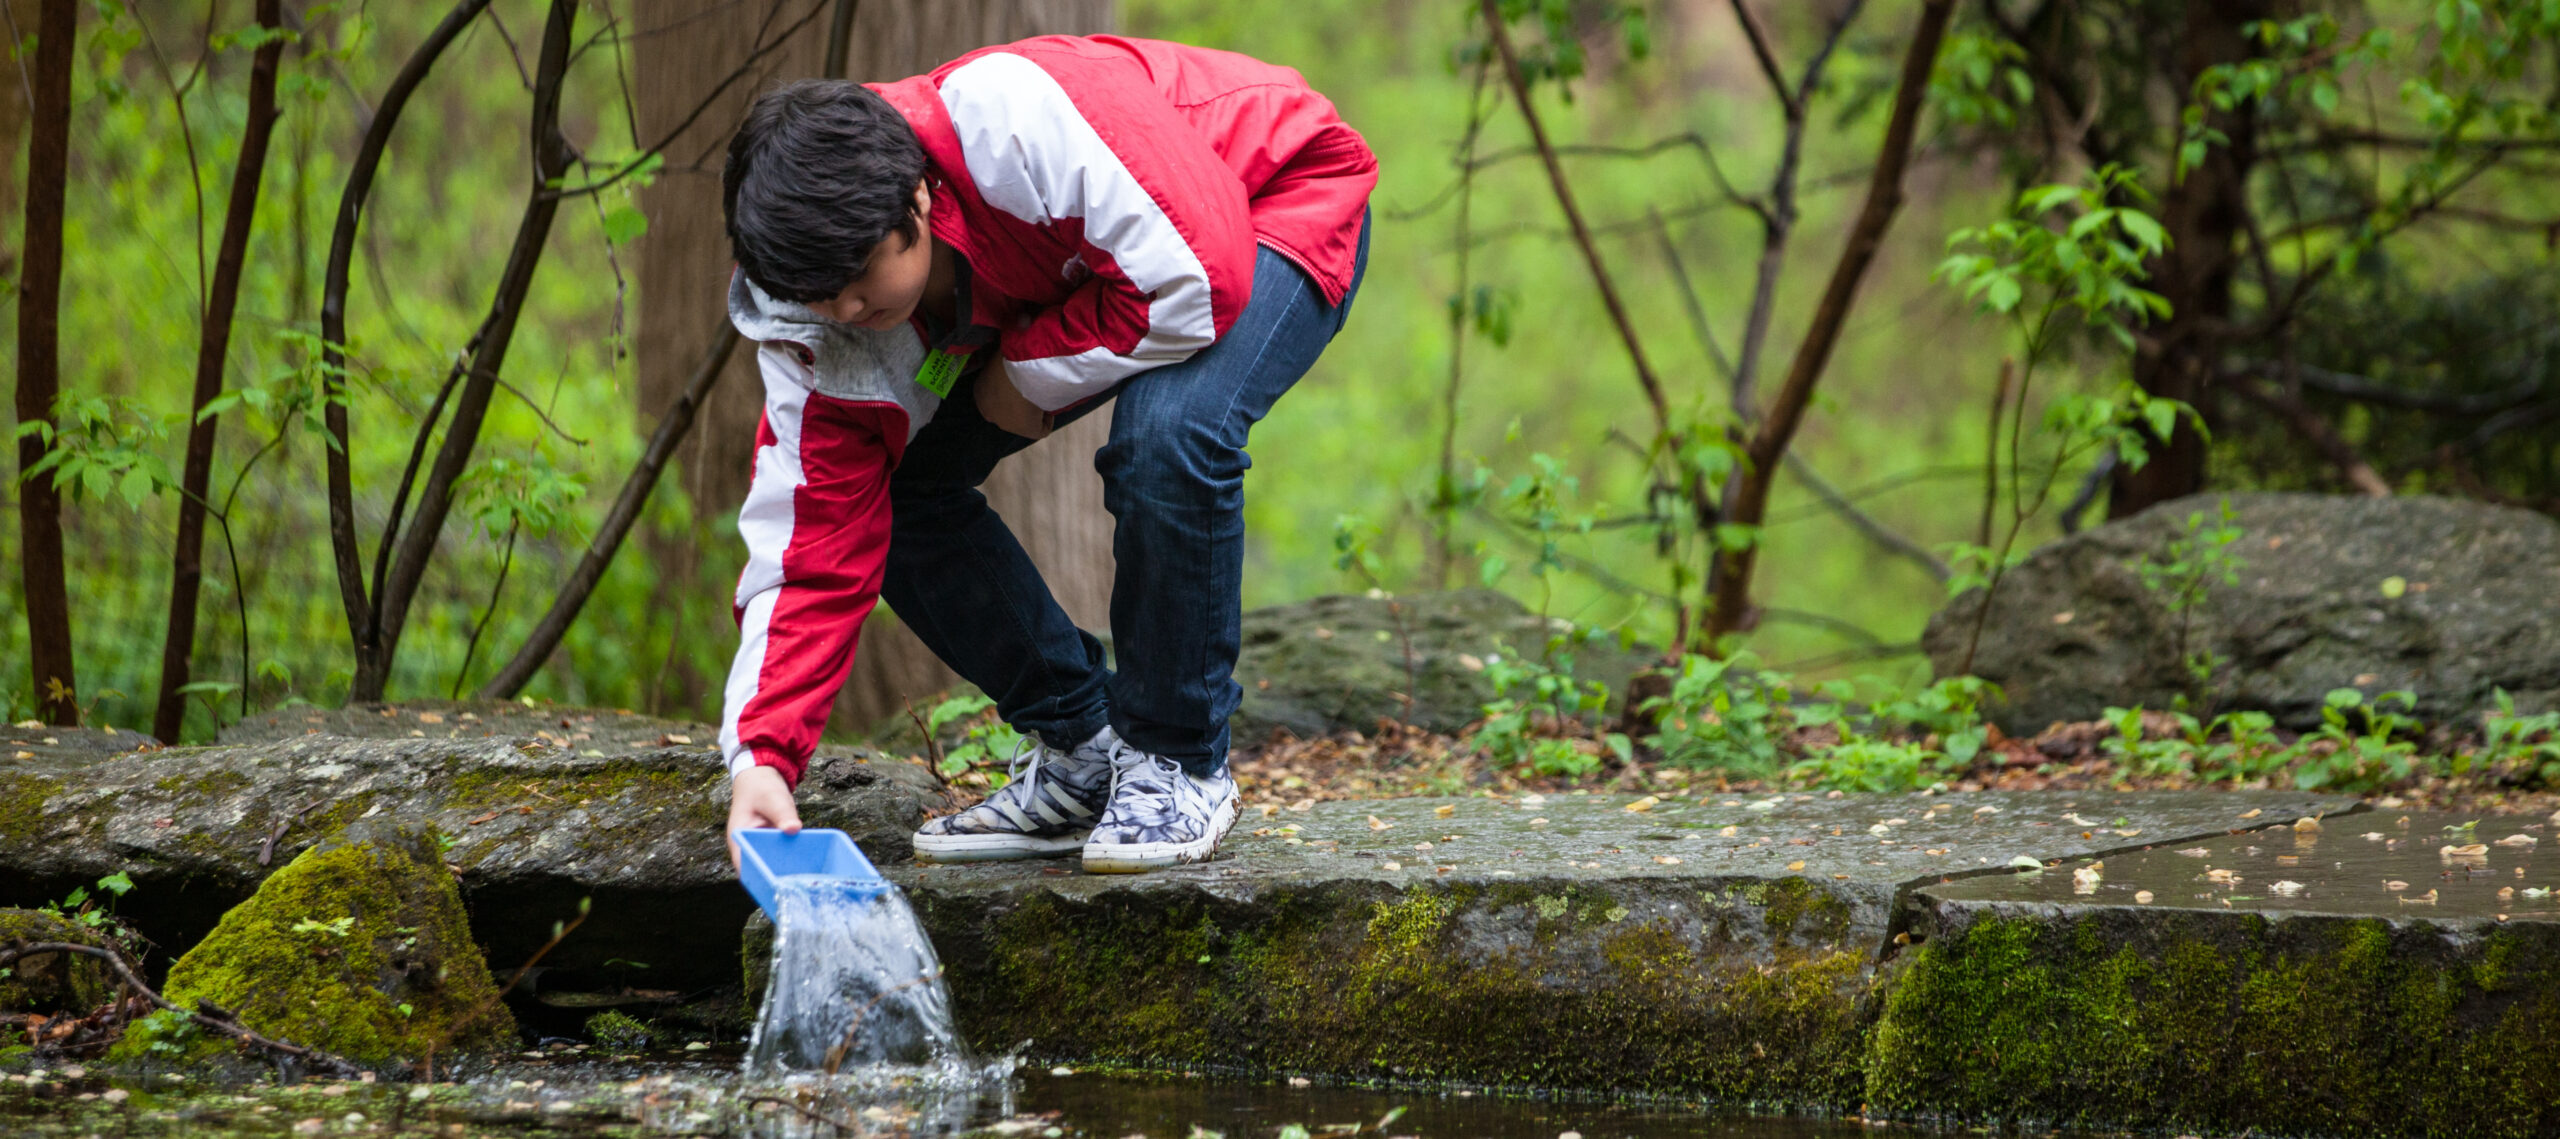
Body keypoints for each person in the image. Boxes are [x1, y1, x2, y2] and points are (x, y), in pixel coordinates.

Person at [714, 35, 1375, 873]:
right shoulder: (815, 324)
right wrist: (763, 759)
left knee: (1168, 435)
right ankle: (1084, 743)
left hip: (1273, 196)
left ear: (917, 196)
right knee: (899, 493)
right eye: (819, 292)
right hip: (1105, 279)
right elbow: (809, 544)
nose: (845, 308)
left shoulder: (1015, 123)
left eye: (860, 275)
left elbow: (1199, 276)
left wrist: (1020, 377)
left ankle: (1178, 763)